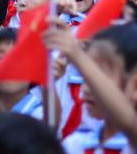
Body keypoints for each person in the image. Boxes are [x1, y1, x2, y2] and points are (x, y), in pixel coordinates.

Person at [46, 22, 136, 153]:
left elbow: (130, 123)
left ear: (134, 86)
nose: (86, 88)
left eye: (97, 76)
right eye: (85, 76)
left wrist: (76, 55)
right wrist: (47, 82)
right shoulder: (76, 144)